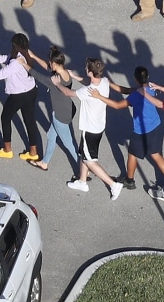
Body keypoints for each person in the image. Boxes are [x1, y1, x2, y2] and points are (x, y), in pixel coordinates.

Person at [53, 58, 123, 200]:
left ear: (91, 72)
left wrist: (58, 83)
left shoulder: (87, 91)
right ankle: (82, 181)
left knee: (90, 160)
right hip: (98, 126)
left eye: (86, 69)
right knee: (84, 155)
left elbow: (67, 92)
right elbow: (88, 82)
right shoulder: (103, 81)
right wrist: (75, 76)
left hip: (89, 129)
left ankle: (112, 184)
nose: (85, 70)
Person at [91, 66, 164, 191]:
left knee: (132, 154)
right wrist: (109, 83)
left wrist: (99, 96)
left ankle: (130, 180)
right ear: (147, 77)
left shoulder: (136, 94)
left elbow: (117, 105)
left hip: (141, 131)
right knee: (156, 155)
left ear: (135, 79)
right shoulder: (150, 87)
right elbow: (126, 90)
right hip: (155, 126)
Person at [0, 33, 39, 160]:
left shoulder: (16, 62)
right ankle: (33, 152)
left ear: (15, 45)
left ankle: (7, 149)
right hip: (31, 91)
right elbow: (5, 58)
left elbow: (0, 74)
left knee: (5, 117)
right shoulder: (24, 54)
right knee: (29, 120)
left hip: (19, 95)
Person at [20, 46, 79, 171]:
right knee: (51, 135)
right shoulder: (65, 73)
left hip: (60, 115)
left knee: (69, 144)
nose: (49, 65)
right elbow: (47, 67)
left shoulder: (54, 80)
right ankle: (44, 163)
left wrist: (23, 63)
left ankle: (84, 170)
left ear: (55, 63)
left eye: (51, 63)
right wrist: (34, 56)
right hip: (68, 110)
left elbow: (37, 75)